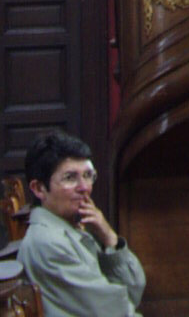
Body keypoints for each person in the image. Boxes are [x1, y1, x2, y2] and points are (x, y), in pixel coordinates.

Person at [18, 131, 145, 317]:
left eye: (88, 175)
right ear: (39, 188)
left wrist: (109, 236)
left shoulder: (70, 227)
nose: (85, 187)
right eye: (70, 178)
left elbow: (134, 290)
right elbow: (115, 311)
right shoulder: (48, 243)